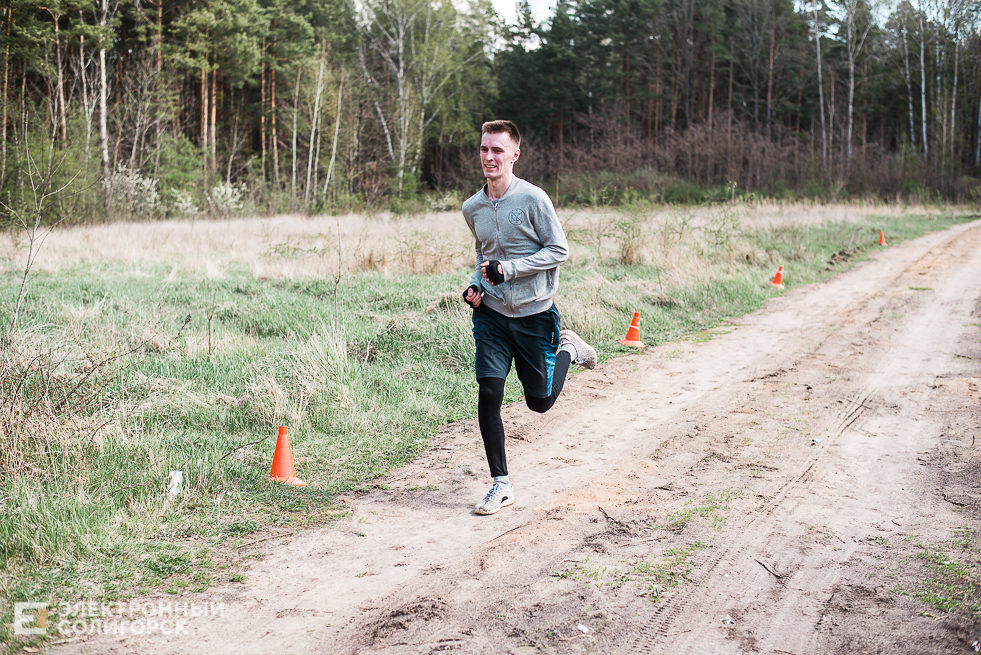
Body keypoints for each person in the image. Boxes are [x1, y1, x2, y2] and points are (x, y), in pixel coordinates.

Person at [462, 119, 597, 516]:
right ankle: (500, 484)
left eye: (497, 150)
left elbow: (559, 250)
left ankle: (569, 348)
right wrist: (476, 286)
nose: (489, 157)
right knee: (489, 392)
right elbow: (482, 255)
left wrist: (512, 269)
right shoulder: (473, 207)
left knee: (538, 402)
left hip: (535, 314)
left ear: (514, 155)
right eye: (484, 149)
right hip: (492, 315)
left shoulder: (534, 199)